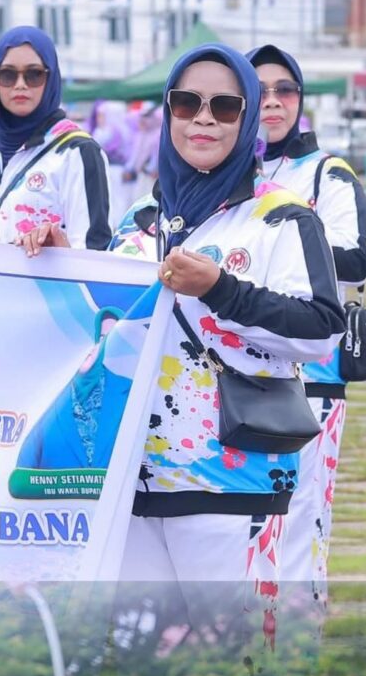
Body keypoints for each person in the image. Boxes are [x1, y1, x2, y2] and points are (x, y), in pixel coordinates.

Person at [102, 43, 344, 606]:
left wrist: (221, 289)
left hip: (231, 483)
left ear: (248, 117)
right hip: (134, 483)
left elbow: (321, 331)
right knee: (149, 673)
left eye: (225, 106)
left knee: (232, 675)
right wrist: (63, 262)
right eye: (187, 104)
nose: (204, 118)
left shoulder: (281, 217)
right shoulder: (137, 220)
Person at [251, 42, 366, 599]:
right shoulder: (234, 172)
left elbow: (357, 257)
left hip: (314, 376)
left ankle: (298, 653)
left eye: (285, 90)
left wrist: (286, 234)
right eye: (259, 90)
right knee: (250, 523)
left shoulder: (327, 172)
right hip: (243, 373)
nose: (272, 102)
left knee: (301, 522)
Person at [0, 26, 110, 253]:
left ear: (51, 77)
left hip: (49, 288)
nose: (20, 84)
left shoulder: (77, 151)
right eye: (7, 74)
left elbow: (93, 253)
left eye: (33, 74)